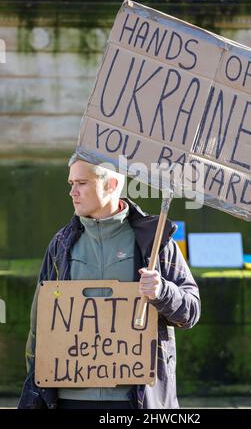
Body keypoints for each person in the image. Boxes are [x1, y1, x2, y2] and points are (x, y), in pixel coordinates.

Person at [18, 153, 201, 409]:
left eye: (82, 183)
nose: (73, 192)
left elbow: (191, 312)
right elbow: (39, 325)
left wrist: (163, 292)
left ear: (112, 185)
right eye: (71, 184)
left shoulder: (154, 241)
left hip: (134, 401)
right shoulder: (61, 243)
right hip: (70, 399)